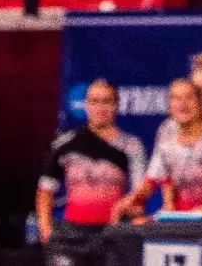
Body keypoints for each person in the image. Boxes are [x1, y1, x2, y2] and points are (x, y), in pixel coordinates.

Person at [37, 80, 147, 265]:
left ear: (116, 105)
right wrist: (46, 231)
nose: (100, 108)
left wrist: (128, 218)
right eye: (95, 101)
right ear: (86, 105)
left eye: (107, 101)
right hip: (70, 238)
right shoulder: (65, 143)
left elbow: (139, 196)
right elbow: (45, 190)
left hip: (112, 236)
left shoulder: (132, 146)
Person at [118, 79, 202, 216]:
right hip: (177, 220)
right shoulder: (167, 142)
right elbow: (153, 180)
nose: (183, 104)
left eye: (189, 97)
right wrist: (128, 201)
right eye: (176, 98)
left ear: (201, 103)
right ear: (170, 107)